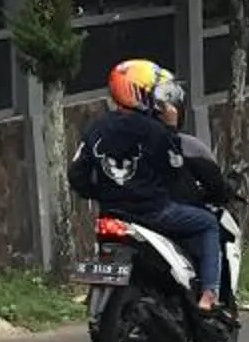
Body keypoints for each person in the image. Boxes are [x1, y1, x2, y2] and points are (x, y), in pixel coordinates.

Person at [69, 58, 224, 315]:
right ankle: (209, 294)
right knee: (208, 223)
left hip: (111, 215)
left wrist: (103, 193)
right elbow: (174, 168)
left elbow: (77, 174)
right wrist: (171, 129)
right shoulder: (155, 131)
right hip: (154, 214)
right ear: (138, 93)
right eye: (158, 94)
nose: (164, 102)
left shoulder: (95, 130)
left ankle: (98, 296)